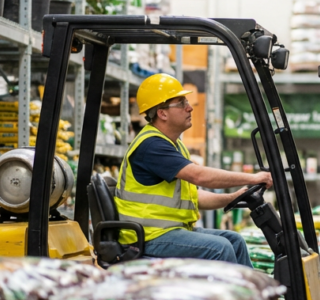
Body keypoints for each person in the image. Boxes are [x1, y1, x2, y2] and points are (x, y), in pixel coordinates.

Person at [114, 73, 273, 266]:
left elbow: (193, 196)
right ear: (162, 113)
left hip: (169, 232)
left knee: (235, 241)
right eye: (181, 103)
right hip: (147, 237)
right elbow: (199, 176)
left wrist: (233, 197)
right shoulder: (151, 146)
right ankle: (229, 296)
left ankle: (252, 295)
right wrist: (254, 178)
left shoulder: (173, 145)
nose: (189, 107)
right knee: (221, 248)